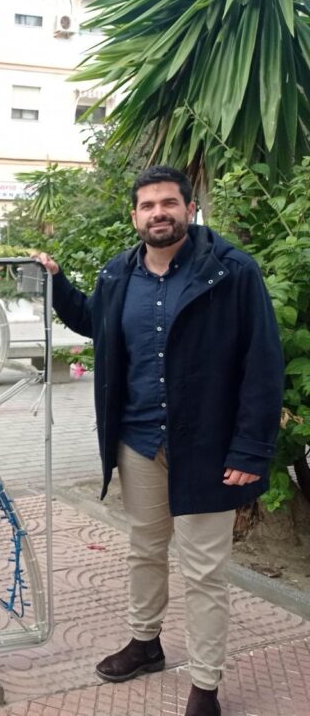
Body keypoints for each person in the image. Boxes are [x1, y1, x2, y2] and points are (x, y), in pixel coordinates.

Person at [34, 166, 284, 716]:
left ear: (190, 209)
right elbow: (93, 321)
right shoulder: (119, 273)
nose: (158, 213)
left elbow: (263, 364)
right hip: (140, 443)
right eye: (147, 206)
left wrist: (250, 449)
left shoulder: (233, 271)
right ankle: (145, 642)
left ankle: (205, 685)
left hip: (209, 448)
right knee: (144, 550)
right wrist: (56, 282)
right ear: (135, 216)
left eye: (169, 203)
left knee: (205, 571)